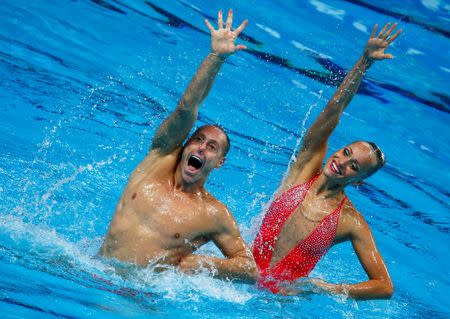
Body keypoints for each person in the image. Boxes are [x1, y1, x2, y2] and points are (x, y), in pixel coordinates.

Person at [100, 9, 256, 282]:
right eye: (197, 139)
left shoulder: (214, 214)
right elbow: (187, 108)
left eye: (211, 147)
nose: (201, 148)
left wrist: (201, 263)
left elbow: (249, 269)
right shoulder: (158, 160)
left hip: (137, 297)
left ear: (219, 162)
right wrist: (215, 57)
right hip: (94, 271)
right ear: (184, 145)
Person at [252, 23, 402, 299]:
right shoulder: (304, 168)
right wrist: (364, 62)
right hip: (242, 277)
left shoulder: (349, 221)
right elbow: (334, 109)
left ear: (357, 181)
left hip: (277, 304)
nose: (342, 161)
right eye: (345, 152)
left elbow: (384, 286)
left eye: (353, 166)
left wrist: (327, 288)